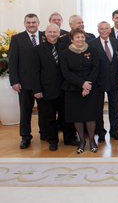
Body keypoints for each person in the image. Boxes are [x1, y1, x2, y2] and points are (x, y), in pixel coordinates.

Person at [30, 24, 78, 151]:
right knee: (50, 117)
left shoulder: (65, 48)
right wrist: (37, 90)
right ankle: (53, 141)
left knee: (67, 115)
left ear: (59, 33)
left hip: (64, 89)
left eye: (54, 32)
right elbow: (35, 72)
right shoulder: (37, 50)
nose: (52, 34)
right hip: (47, 89)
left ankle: (69, 138)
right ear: (45, 33)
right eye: (50, 32)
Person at [9, 13, 47, 149]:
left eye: (33, 22)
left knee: (44, 110)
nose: (31, 25)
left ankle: (45, 133)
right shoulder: (17, 39)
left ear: (38, 23)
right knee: (25, 111)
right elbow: (12, 62)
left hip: (43, 82)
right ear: (24, 23)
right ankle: (25, 137)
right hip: (24, 82)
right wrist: (14, 81)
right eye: (28, 22)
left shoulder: (45, 36)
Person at [60, 28, 100, 154]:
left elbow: (96, 69)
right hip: (73, 89)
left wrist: (87, 86)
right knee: (77, 116)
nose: (80, 39)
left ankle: (92, 140)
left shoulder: (92, 51)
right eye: (77, 37)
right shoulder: (64, 53)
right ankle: (82, 141)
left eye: (82, 37)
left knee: (90, 115)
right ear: (71, 39)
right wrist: (82, 84)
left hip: (91, 88)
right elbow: (66, 73)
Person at [88, 21, 118, 142]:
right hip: (98, 82)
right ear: (98, 30)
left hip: (114, 81)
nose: (104, 31)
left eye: (106, 28)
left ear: (110, 30)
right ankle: (101, 132)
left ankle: (114, 131)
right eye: (101, 29)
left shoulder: (116, 42)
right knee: (98, 108)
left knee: (114, 108)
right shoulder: (92, 44)